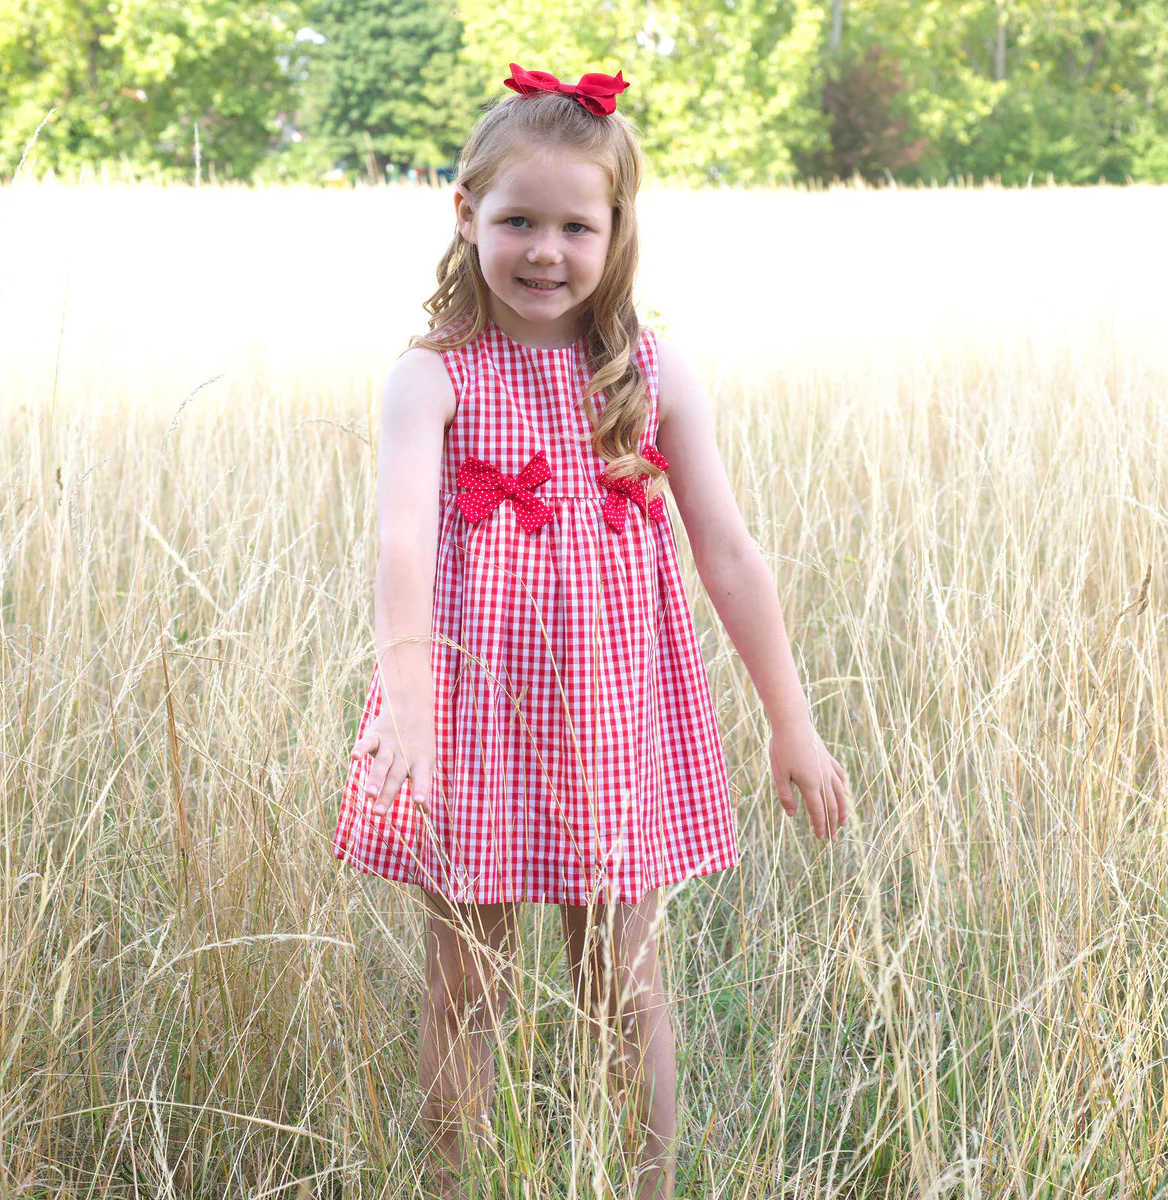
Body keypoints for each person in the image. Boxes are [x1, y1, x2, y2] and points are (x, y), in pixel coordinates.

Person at [331, 62, 850, 1200]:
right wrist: (409, 702)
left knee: (625, 979)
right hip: (467, 711)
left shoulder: (648, 371)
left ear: (617, 231)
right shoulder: (433, 378)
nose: (545, 251)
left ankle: (648, 1187)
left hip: (613, 716)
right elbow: (402, 545)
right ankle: (454, 1181)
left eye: (577, 224)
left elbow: (728, 552)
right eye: (518, 220)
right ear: (466, 213)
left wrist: (791, 722)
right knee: (465, 979)